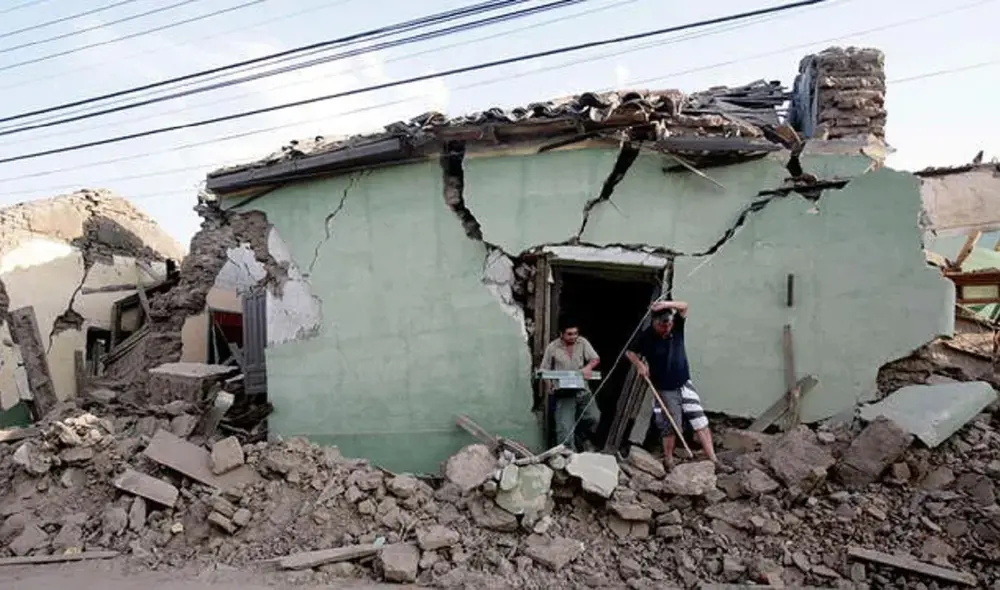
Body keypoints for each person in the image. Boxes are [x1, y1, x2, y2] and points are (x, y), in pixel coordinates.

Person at [626, 300, 716, 468]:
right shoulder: (645, 337)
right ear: (655, 323)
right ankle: (669, 460)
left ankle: (714, 460)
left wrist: (665, 304)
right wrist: (640, 364)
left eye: (669, 325)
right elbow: (630, 352)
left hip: (684, 383)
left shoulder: (676, 326)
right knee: (670, 426)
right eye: (663, 326)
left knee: (700, 421)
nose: (667, 329)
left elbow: (685, 306)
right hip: (663, 388)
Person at [538, 319, 601, 452]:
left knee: (594, 417)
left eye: (575, 333)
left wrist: (588, 368)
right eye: (569, 334)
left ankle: (581, 435)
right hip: (564, 393)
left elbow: (595, 359)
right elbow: (544, 369)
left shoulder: (582, 342)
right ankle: (569, 459)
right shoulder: (552, 347)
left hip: (582, 389)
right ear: (561, 334)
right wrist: (549, 385)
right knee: (564, 431)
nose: (573, 337)